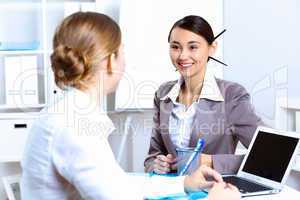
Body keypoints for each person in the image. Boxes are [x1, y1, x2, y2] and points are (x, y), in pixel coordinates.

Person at [20, 12, 240, 200]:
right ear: (109, 61)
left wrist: (184, 183)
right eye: (122, 52)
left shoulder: (68, 113)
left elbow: (118, 186)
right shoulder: (73, 125)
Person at [144, 15, 263, 175]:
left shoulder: (232, 96)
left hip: (213, 191)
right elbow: (153, 156)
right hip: (173, 192)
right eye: (175, 47)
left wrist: (210, 161)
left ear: (212, 48)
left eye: (193, 47)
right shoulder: (163, 94)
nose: (182, 56)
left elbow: (268, 155)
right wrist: (157, 165)